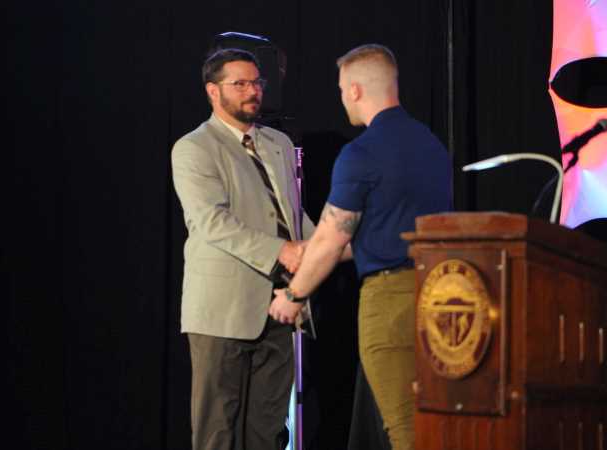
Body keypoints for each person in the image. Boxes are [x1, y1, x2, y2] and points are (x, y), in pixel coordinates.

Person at [269, 44, 452, 450]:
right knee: (433, 419)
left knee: (403, 426)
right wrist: (309, 247)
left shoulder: (361, 153)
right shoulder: (431, 146)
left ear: (354, 90)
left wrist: (295, 293)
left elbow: (336, 237)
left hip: (388, 302)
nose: (341, 99)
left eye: (339, 90)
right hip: (439, 295)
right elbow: (385, 232)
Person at [171, 48, 315, 450]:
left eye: (257, 82)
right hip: (222, 309)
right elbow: (211, 221)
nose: (253, 91)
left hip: (279, 304)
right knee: (217, 430)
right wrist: (282, 251)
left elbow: (291, 211)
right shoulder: (194, 147)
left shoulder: (280, 144)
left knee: (267, 432)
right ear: (213, 91)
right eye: (241, 83)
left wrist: (329, 245)